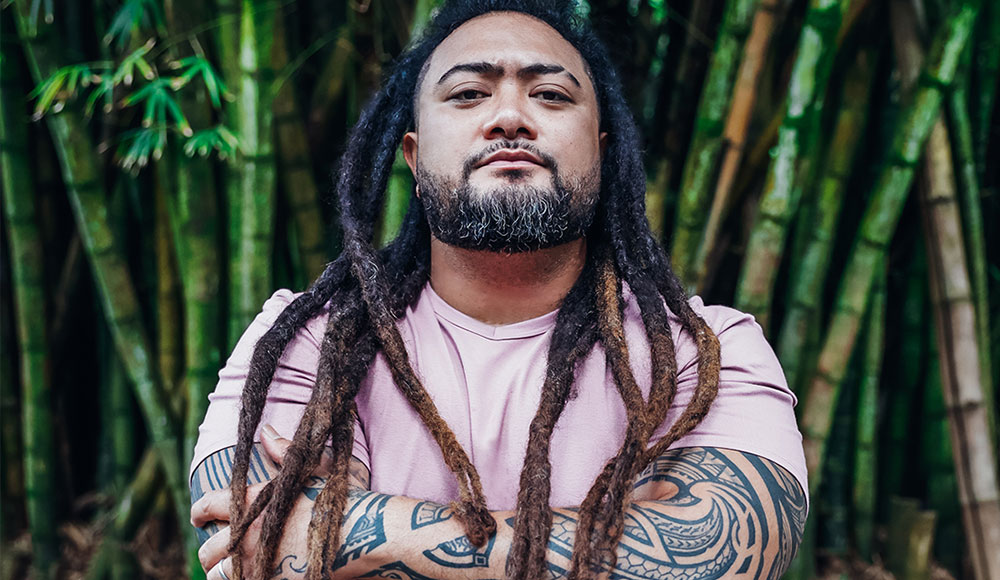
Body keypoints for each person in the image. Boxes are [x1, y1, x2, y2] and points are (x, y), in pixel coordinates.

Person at [189, 1, 808, 579]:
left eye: (550, 94)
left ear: (601, 151)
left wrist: (351, 526)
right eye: (467, 93)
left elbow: (719, 556)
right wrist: (616, 539)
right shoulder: (308, 339)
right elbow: (250, 549)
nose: (510, 116)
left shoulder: (706, 353)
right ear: (413, 152)